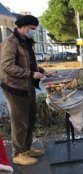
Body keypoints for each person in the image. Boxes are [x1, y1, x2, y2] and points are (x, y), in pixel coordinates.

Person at [0, 15, 46, 165]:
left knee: (30, 119)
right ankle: (18, 154)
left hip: (28, 86)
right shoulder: (10, 42)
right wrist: (31, 73)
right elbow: (7, 66)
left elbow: (27, 63)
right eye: (32, 29)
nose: (33, 32)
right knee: (20, 122)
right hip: (14, 88)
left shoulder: (25, 41)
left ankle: (26, 148)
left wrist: (40, 70)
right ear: (24, 26)